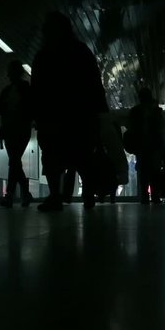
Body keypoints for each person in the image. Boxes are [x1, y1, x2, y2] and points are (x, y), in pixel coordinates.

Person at [31, 12, 109, 212]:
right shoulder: (80, 51)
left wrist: (37, 115)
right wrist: (100, 110)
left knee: (51, 157)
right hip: (79, 114)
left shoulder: (42, 56)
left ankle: (55, 196)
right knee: (82, 156)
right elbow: (94, 81)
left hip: (52, 115)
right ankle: (88, 194)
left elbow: (37, 89)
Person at [0, 60, 34, 208]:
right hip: (15, 131)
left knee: (14, 160)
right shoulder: (23, 88)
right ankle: (24, 194)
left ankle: (10, 195)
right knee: (15, 162)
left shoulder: (11, 90)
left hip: (16, 131)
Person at [127, 88, 165, 204]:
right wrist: (163, 145)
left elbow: (130, 128)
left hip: (142, 146)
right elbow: (162, 129)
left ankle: (145, 197)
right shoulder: (156, 112)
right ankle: (155, 196)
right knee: (154, 172)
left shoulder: (135, 112)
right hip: (154, 146)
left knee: (143, 173)